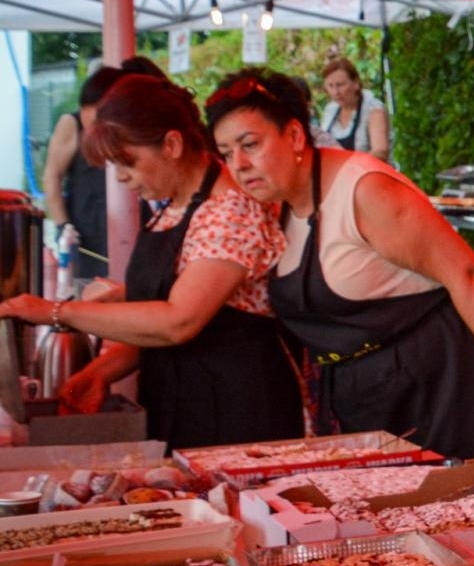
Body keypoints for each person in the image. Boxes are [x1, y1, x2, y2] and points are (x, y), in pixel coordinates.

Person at [207, 68, 474, 461]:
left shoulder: (365, 189)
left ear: (294, 135)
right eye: (226, 153)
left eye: (250, 145)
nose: (239, 164)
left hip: (435, 385)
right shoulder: (275, 205)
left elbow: (467, 274)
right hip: (360, 396)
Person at [0, 75, 303, 449]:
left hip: (239, 409)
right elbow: (156, 319)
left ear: (172, 144)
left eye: (127, 163)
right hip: (181, 401)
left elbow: (177, 321)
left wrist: (56, 312)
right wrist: (99, 372)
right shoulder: (171, 208)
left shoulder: (230, 211)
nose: (122, 178)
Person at [43, 66, 123, 278]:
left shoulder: (121, 126)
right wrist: (62, 225)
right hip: (84, 230)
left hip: (119, 226)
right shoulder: (70, 123)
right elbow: (52, 176)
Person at [320, 55, 390, 162]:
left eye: (340, 85)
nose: (336, 92)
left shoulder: (374, 109)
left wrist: (350, 166)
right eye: (330, 86)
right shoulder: (330, 111)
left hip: (371, 171)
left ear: (356, 83)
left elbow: (380, 152)